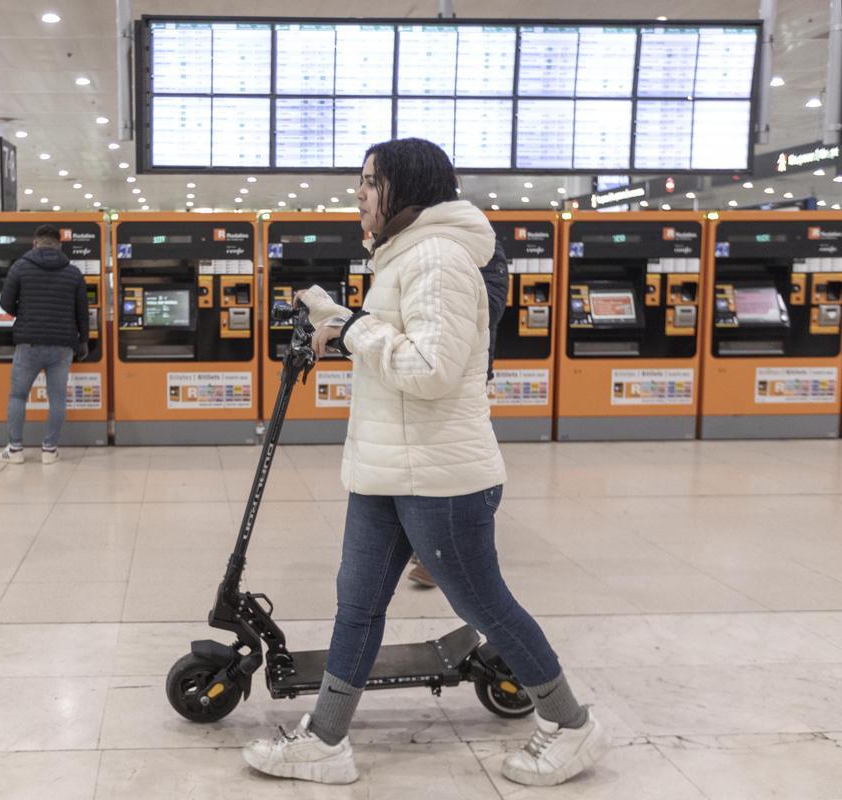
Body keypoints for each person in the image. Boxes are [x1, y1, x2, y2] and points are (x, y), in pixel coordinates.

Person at [242, 140, 609, 787]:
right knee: (356, 606)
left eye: (368, 182)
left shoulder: (439, 258)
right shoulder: (403, 257)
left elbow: (433, 370)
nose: (358, 194)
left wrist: (353, 329)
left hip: (441, 475)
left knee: (486, 606)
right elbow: (399, 345)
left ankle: (570, 725)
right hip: (388, 467)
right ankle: (325, 741)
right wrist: (341, 318)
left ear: (405, 188)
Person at [407, 238, 509, 587]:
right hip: (418, 370)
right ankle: (424, 544)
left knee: (455, 465)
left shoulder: (485, 249)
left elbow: (491, 308)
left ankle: (440, 554)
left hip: (466, 375)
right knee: (426, 461)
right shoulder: (412, 247)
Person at [0, 225, 89, 465]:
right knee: (57, 398)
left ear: (35, 243)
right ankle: (49, 449)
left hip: (29, 344)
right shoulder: (73, 273)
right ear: (59, 245)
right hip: (62, 346)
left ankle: (15, 449)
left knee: (18, 396)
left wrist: (25, 314)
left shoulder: (19, 267)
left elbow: (5, 303)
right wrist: (84, 341)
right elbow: (83, 312)